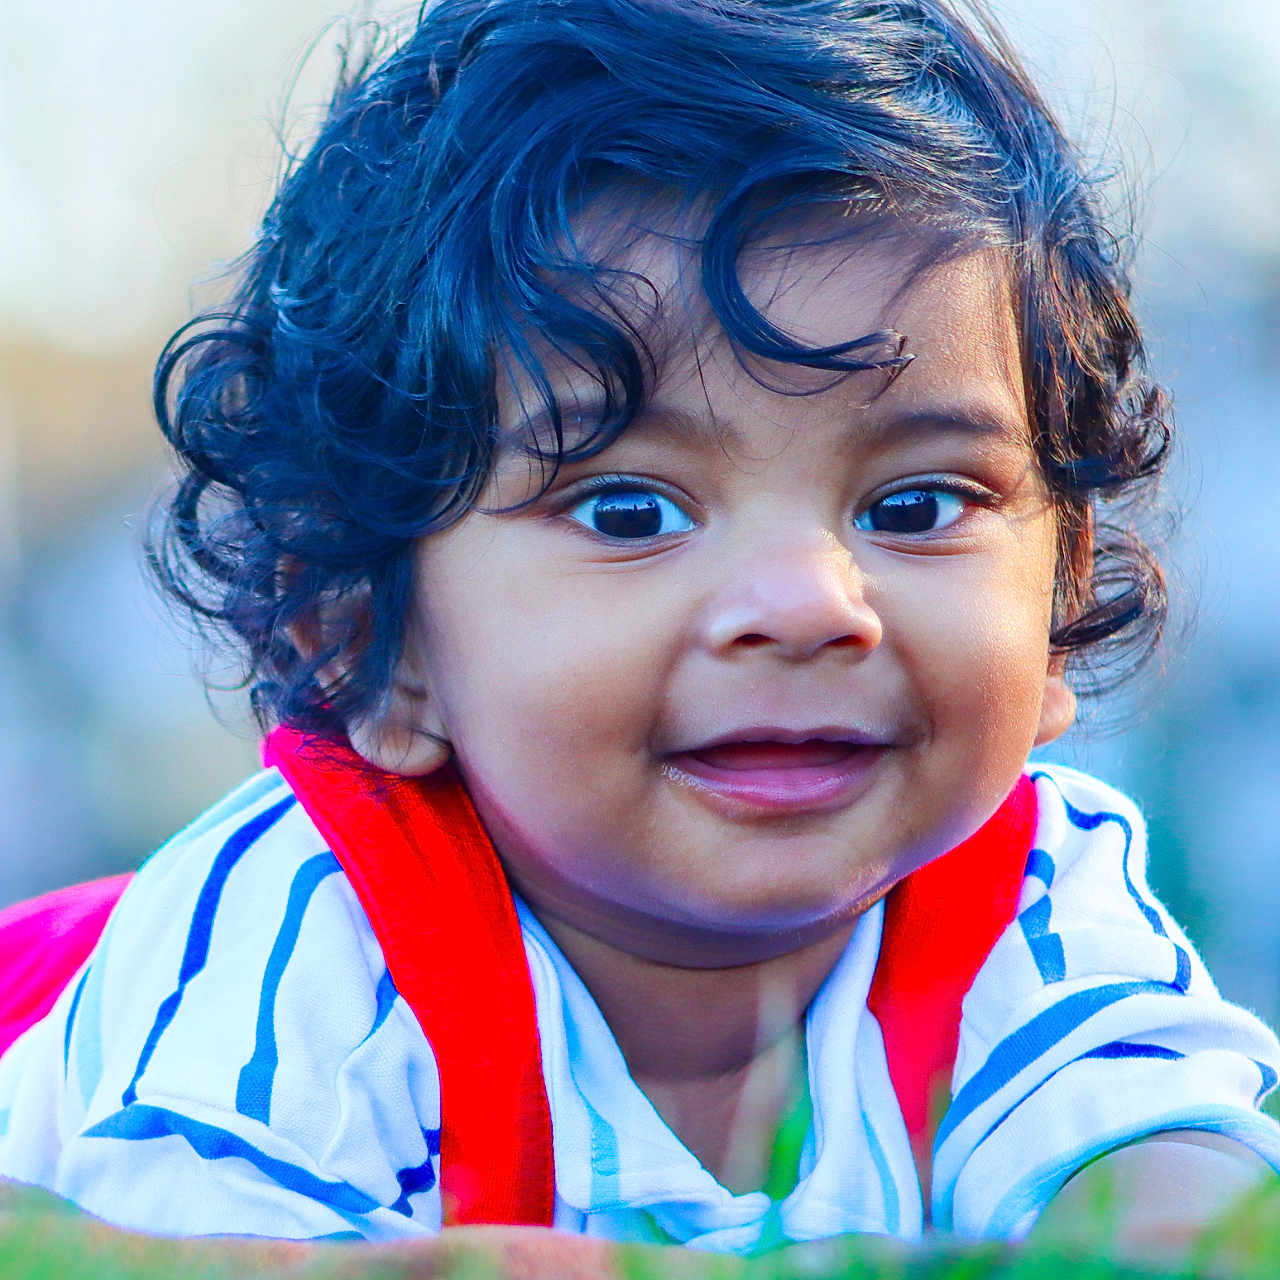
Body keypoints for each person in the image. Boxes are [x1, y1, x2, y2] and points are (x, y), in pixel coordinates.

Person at [0, 0, 1276, 1263]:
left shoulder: (1029, 891)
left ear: (1058, 596)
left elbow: (1178, 1210)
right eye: (628, 510)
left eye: (915, 505)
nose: (807, 602)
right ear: (364, 635)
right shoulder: (299, 935)